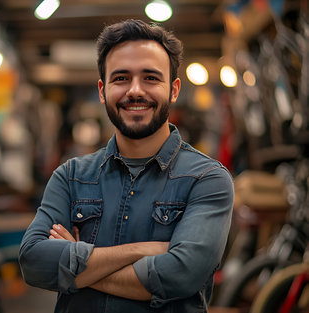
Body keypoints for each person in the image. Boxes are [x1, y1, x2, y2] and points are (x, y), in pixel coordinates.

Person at [19, 19, 234, 312]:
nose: (135, 90)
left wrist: (74, 269)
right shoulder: (70, 177)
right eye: (121, 78)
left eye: (150, 78)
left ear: (173, 90)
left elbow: (181, 274)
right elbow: (33, 261)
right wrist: (145, 251)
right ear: (102, 90)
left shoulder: (207, 179)